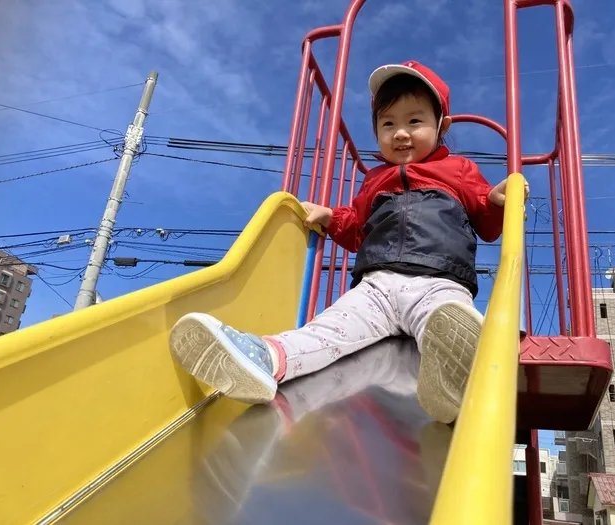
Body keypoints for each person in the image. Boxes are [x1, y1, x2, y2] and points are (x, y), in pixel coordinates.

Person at [169, 60, 528, 424]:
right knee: (328, 331)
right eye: (388, 124)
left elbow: (485, 221)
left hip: (438, 282)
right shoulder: (374, 180)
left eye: (414, 121)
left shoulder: (459, 170)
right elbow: (357, 228)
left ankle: (457, 376)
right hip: (376, 287)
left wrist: (497, 200)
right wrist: (331, 218)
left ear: (442, 126)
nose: (400, 133)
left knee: (448, 323)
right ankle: (266, 358)